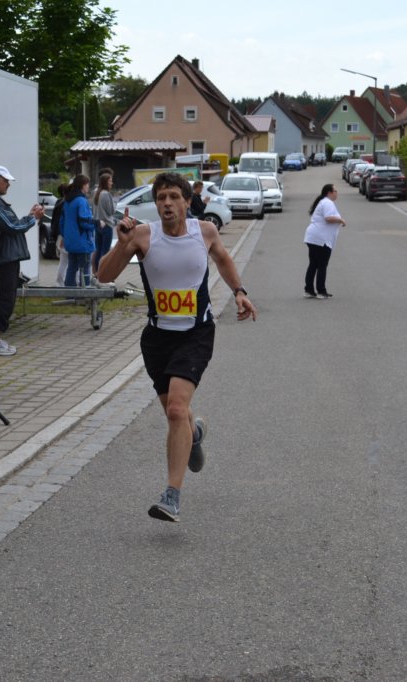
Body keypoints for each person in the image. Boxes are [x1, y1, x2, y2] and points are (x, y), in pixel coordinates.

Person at [96, 173, 256, 522]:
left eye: (173, 197)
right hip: (157, 339)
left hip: (195, 334)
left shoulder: (205, 231)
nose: (166, 203)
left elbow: (223, 260)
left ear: (186, 201)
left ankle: (172, 496)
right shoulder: (142, 235)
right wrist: (121, 245)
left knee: (175, 410)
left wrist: (239, 291)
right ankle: (193, 434)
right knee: (178, 414)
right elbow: (104, 276)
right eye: (160, 198)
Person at [0, 165, 44, 356]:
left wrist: (30, 217)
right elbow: (11, 226)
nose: (8, 184)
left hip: (6, 258)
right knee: (1, 299)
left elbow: (12, 225)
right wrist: (32, 219)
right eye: (5, 180)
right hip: (2, 259)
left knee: (5, 299)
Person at [302, 184, 346, 299]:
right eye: (335, 191)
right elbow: (328, 218)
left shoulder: (324, 202)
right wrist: (341, 220)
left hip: (314, 237)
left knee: (313, 264)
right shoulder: (327, 203)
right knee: (322, 265)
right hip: (320, 239)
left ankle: (309, 290)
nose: (337, 193)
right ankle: (321, 291)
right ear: (329, 192)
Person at [62, 174, 95, 287]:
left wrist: (65, 236)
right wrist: (96, 224)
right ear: (83, 185)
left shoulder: (67, 201)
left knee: (71, 268)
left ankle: (69, 291)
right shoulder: (81, 201)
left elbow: (62, 222)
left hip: (70, 241)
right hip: (82, 243)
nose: (88, 187)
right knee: (85, 269)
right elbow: (84, 221)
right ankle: (85, 293)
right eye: (87, 184)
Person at [91, 173, 115, 275]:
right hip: (106, 224)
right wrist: (114, 202)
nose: (112, 183)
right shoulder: (106, 194)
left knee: (98, 249)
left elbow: (93, 209)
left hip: (97, 223)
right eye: (110, 181)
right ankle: (103, 273)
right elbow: (111, 211)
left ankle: (96, 272)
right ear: (105, 182)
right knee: (105, 251)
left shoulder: (95, 192)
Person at [51, 183, 68, 286]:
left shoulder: (59, 202)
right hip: (63, 235)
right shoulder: (64, 203)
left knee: (63, 259)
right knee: (65, 260)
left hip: (59, 234)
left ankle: (60, 282)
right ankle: (61, 282)